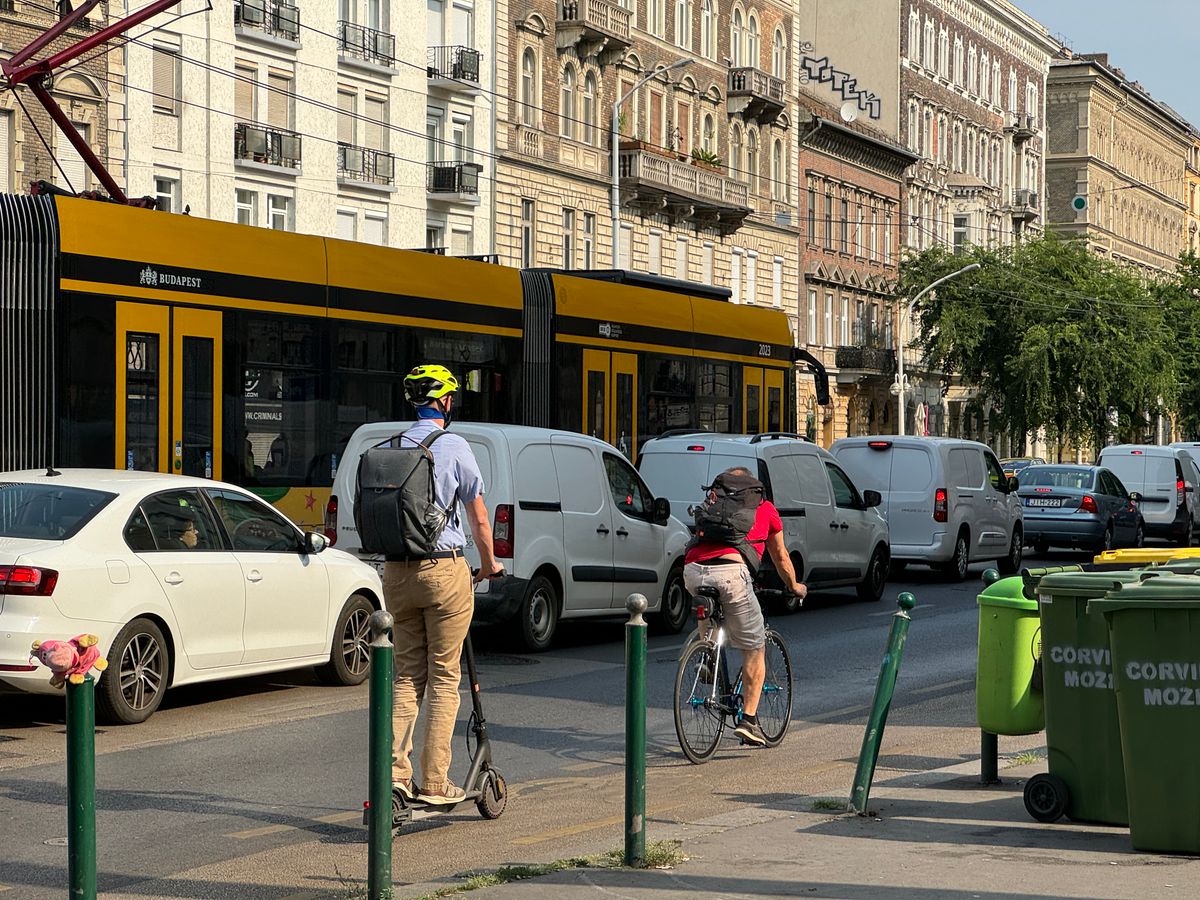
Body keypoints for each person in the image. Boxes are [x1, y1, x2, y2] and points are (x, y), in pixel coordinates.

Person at [386, 364, 503, 805]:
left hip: (397, 572)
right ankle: (435, 780)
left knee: (405, 676)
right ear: (446, 402)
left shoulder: (393, 446)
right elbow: (477, 514)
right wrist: (490, 564)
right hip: (443, 571)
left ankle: (395, 776)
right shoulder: (452, 444)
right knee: (444, 676)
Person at [683, 465, 805, 747]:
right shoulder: (765, 509)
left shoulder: (715, 503)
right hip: (732, 574)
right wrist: (794, 586)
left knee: (709, 608)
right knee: (755, 647)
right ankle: (749, 720)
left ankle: (706, 655)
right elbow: (781, 557)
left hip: (692, 568)